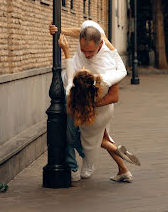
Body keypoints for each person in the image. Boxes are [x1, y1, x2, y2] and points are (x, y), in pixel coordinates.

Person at [49, 21, 128, 180]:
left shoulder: (107, 67)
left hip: (96, 106)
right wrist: (60, 30)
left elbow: (114, 95)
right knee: (73, 134)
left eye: (90, 52)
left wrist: (89, 104)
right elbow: (81, 30)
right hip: (74, 96)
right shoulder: (92, 31)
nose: (86, 55)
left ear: (100, 45)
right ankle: (120, 169)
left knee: (92, 141)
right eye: (83, 50)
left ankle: (96, 162)